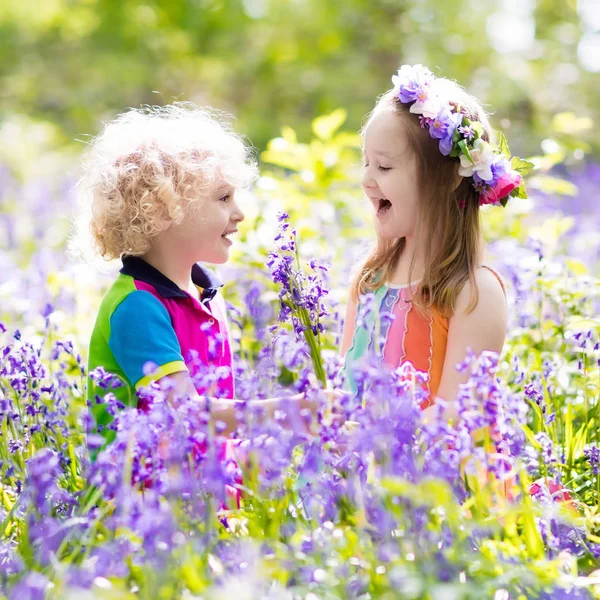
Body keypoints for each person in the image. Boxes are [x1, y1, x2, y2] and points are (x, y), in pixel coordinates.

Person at [78, 103, 313, 457]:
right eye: (223, 197)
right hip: (139, 504)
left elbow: (213, 433)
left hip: (199, 499)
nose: (240, 213)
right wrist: (290, 411)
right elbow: (186, 416)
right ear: (163, 208)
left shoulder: (205, 295)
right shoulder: (137, 306)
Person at [341, 64, 529, 421]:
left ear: (447, 180)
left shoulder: (473, 292)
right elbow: (345, 388)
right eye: (365, 163)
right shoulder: (370, 280)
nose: (366, 179)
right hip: (359, 471)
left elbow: (455, 418)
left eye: (383, 167)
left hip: (432, 474)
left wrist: (374, 445)